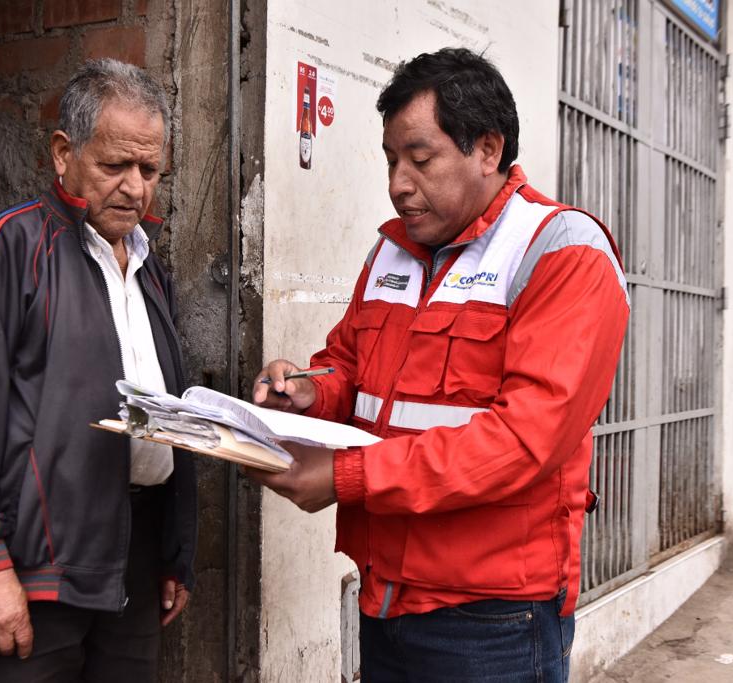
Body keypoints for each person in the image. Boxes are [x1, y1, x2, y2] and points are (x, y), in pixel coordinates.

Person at [249, 48, 629, 681]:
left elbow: (521, 440)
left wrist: (348, 477)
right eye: (392, 161)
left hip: (491, 621)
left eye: (420, 160)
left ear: (486, 148)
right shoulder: (394, 250)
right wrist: (309, 392)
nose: (399, 183)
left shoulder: (562, 253)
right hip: (384, 593)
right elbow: (349, 366)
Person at [0, 58, 197, 682]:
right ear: (63, 154)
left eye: (150, 170)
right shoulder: (8, 249)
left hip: (133, 560)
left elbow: (165, 414)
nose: (135, 188)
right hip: (30, 570)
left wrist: (174, 554)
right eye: (115, 165)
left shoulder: (150, 269)